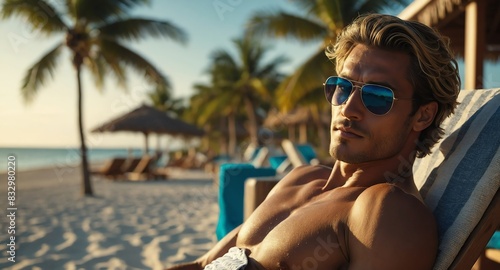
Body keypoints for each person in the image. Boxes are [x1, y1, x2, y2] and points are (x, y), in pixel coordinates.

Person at [166, 13, 460, 270]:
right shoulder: (302, 178)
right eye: (342, 87)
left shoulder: (389, 213)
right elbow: (203, 265)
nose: (348, 108)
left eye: (377, 96)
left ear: (422, 116)